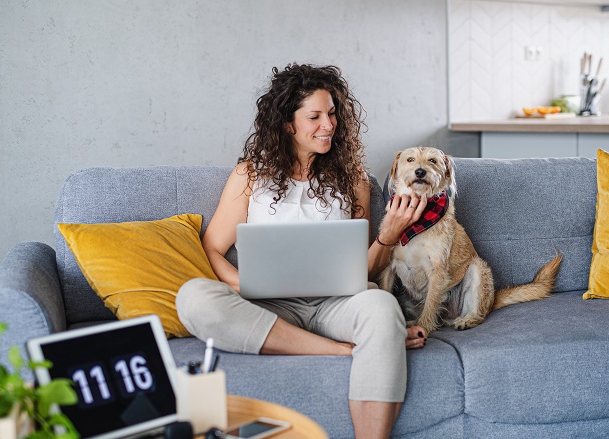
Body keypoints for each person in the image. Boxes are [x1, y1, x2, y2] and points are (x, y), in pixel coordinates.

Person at [176, 63, 427, 439]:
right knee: (193, 297)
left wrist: (387, 237)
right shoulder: (250, 175)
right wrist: (240, 281)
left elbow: (365, 272)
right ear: (287, 124)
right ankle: (344, 350)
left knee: (381, 307)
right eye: (314, 116)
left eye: (331, 114)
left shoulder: (354, 179)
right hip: (269, 307)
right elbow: (212, 247)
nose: (328, 125)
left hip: (335, 304)